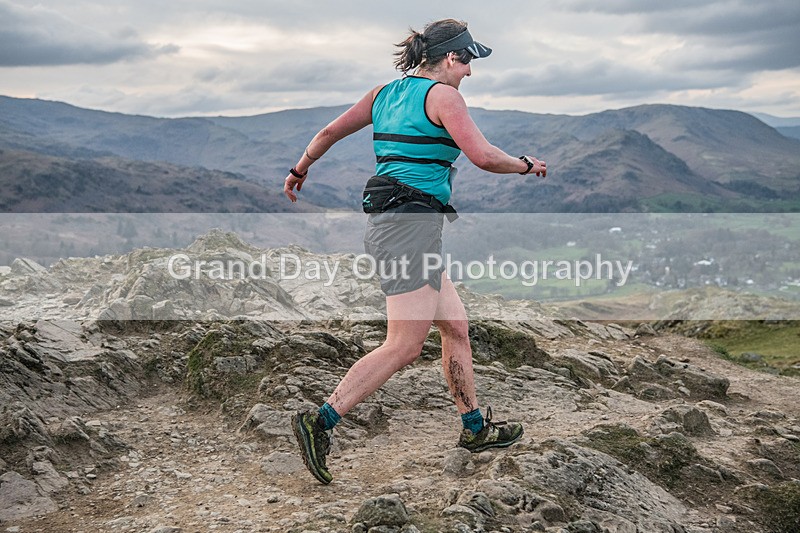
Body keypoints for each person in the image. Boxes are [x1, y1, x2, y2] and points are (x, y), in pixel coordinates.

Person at [283, 18, 547, 485]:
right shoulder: (445, 97)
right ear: (451, 58)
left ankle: (474, 428)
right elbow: (483, 156)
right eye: (468, 62)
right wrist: (525, 166)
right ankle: (319, 421)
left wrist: (300, 168)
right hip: (410, 228)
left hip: (402, 223)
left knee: (456, 327)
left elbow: (327, 132)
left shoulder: (383, 93)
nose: (469, 73)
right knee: (404, 345)